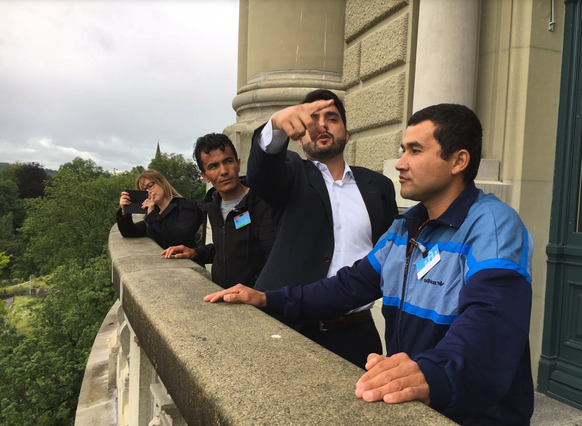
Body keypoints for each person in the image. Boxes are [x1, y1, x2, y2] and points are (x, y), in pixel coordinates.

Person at [204, 103, 534, 426]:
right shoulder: (404, 228)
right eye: (402, 150)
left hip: (476, 413)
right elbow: (348, 285)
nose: (400, 164)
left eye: (415, 151)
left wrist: (431, 373)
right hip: (417, 404)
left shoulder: (493, 225)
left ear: (458, 161)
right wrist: (267, 299)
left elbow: (490, 321)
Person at [245, 89, 398, 369]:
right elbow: (260, 174)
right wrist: (277, 125)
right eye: (312, 120)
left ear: (347, 134)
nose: (323, 125)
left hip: (358, 332)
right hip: (290, 327)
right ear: (300, 138)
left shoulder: (379, 187)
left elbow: (389, 256)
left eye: (332, 118)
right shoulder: (291, 173)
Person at [161, 133, 276, 289]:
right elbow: (225, 248)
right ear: (205, 176)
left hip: (256, 305)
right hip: (223, 299)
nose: (223, 171)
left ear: (238, 164)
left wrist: (261, 298)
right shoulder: (212, 207)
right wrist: (196, 253)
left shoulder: (263, 205)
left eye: (228, 161)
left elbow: (276, 262)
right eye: (213, 166)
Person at [117, 169, 203, 250]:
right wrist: (125, 211)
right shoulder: (155, 213)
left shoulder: (186, 205)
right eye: (144, 190)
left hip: (186, 263)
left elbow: (179, 237)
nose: (148, 191)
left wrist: (153, 216)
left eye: (150, 186)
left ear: (162, 182)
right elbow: (129, 232)